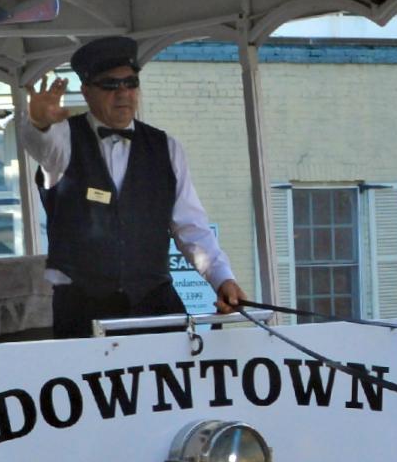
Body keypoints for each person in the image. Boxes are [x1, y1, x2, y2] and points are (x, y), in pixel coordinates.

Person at [20, 35, 246, 337]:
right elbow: (40, 143)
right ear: (86, 91)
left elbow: (191, 227)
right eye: (110, 85)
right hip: (83, 313)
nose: (123, 94)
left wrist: (222, 279)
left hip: (153, 305)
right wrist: (38, 122)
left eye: (131, 83)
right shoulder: (63, 141)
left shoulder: (166, 147)